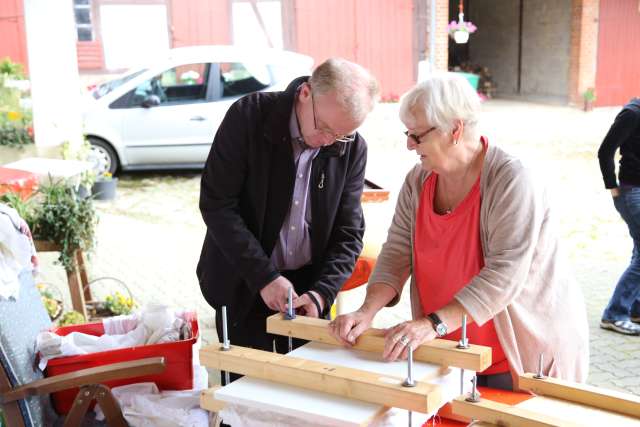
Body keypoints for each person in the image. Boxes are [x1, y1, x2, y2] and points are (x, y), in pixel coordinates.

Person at [329, 73, 589, 389]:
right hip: (453, 349)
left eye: (417, 135)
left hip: (518, 357)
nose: (409, 144)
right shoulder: (419, 180)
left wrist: (432, 324)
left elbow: (504, 275)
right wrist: (367, 311)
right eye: (407, 133)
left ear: (455, 130)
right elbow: (397, 252)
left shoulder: (512, 180)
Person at [197, 58, 379, 382]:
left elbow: (349, 233)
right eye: (324, 128)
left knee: (307, 395)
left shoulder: (351, 149)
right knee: (246, 403)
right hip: (244, 284)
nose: (329, 142)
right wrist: (264, 277)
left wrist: (322, 293)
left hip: (308, 293)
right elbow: (217, 205)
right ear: (305, 93)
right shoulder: (248, 117)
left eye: (342, 135)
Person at [598, 98, 640, 335]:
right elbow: (606, 150)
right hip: (631, 192)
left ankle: (635, 309)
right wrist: (611, 185)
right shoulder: (632, 114)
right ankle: (614, 314)